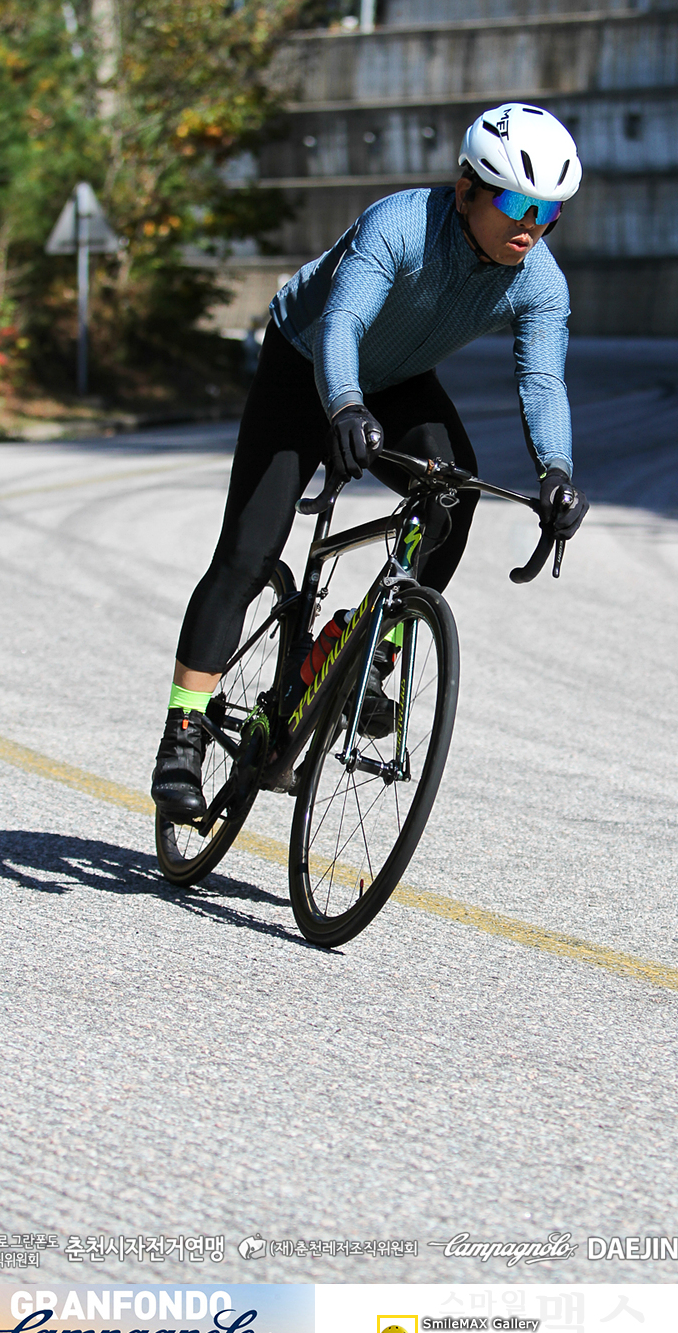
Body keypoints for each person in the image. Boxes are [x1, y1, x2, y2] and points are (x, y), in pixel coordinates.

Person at [151, 103, 590, 822]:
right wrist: (346, 406)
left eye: (550, 211)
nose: (531, 225)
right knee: (247, 555)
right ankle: (183, 732)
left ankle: (368, 654)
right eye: (516, 203)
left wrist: (557, 474)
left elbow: (542, 381)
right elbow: (343, 322)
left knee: (452, 495)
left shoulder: (539, 280)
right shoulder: (400, 225)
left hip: (397, 380)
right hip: (307, 363)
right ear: (466, 190)